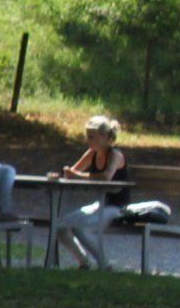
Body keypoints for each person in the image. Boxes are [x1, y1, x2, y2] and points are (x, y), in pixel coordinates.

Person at [51, 114, 129, 267]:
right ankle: (84, 262)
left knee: (81, 228)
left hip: (117, 207)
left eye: (92, 137)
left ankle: (105, 265)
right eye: (87, 136)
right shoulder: (92, 153)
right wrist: (63, 174)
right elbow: (73, 172)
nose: (88, 140)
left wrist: (76, 175)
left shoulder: (115, 155)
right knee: (60, 226)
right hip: (100, 204)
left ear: (104, 136)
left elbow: (106, 177)